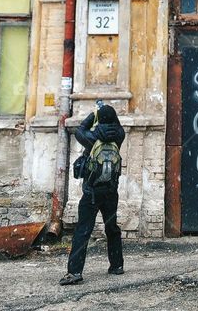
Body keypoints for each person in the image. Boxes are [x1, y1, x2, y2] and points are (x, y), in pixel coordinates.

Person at [60, 102, 125, 285]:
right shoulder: (119, 136)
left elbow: (80, 128)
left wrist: (93, 113)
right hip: (111, 192)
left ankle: (74, 272)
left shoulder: (90, 137)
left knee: (83, 231)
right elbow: (118, 126)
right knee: (112, 228)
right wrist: (108, 114)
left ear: (99, 119)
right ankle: (117, 265)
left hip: (92, 193)